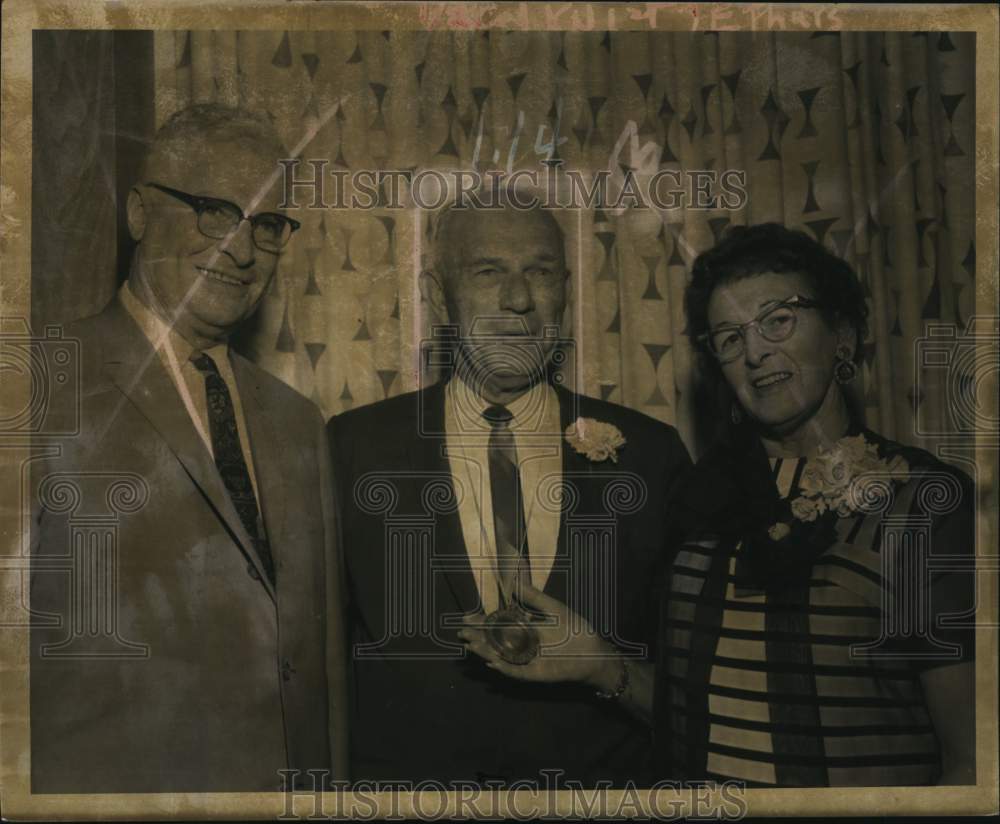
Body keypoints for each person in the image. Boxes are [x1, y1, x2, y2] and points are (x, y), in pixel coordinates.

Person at [463, 222, 977, 787]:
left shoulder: (927, 502)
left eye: (779, 319)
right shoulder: (696, 500)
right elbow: (690, 726)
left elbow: (972, 763)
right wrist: (600, 665)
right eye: (730, 338)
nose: (756, 350)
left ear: (842, 333)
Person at [29, 104, 349, 793]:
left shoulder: (299, 423)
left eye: (265, 224)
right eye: (213, 210)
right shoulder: (38, 380)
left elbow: (318, 669)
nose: (240, 249)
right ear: (141, 214)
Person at [328, 201, 692, 786]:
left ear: (567, 292)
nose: (519, 300)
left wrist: (607, 669)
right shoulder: (352, 448)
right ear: (438, 296)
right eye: (488, 272)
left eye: (542, 273)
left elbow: (701, 699)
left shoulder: (651, 455)